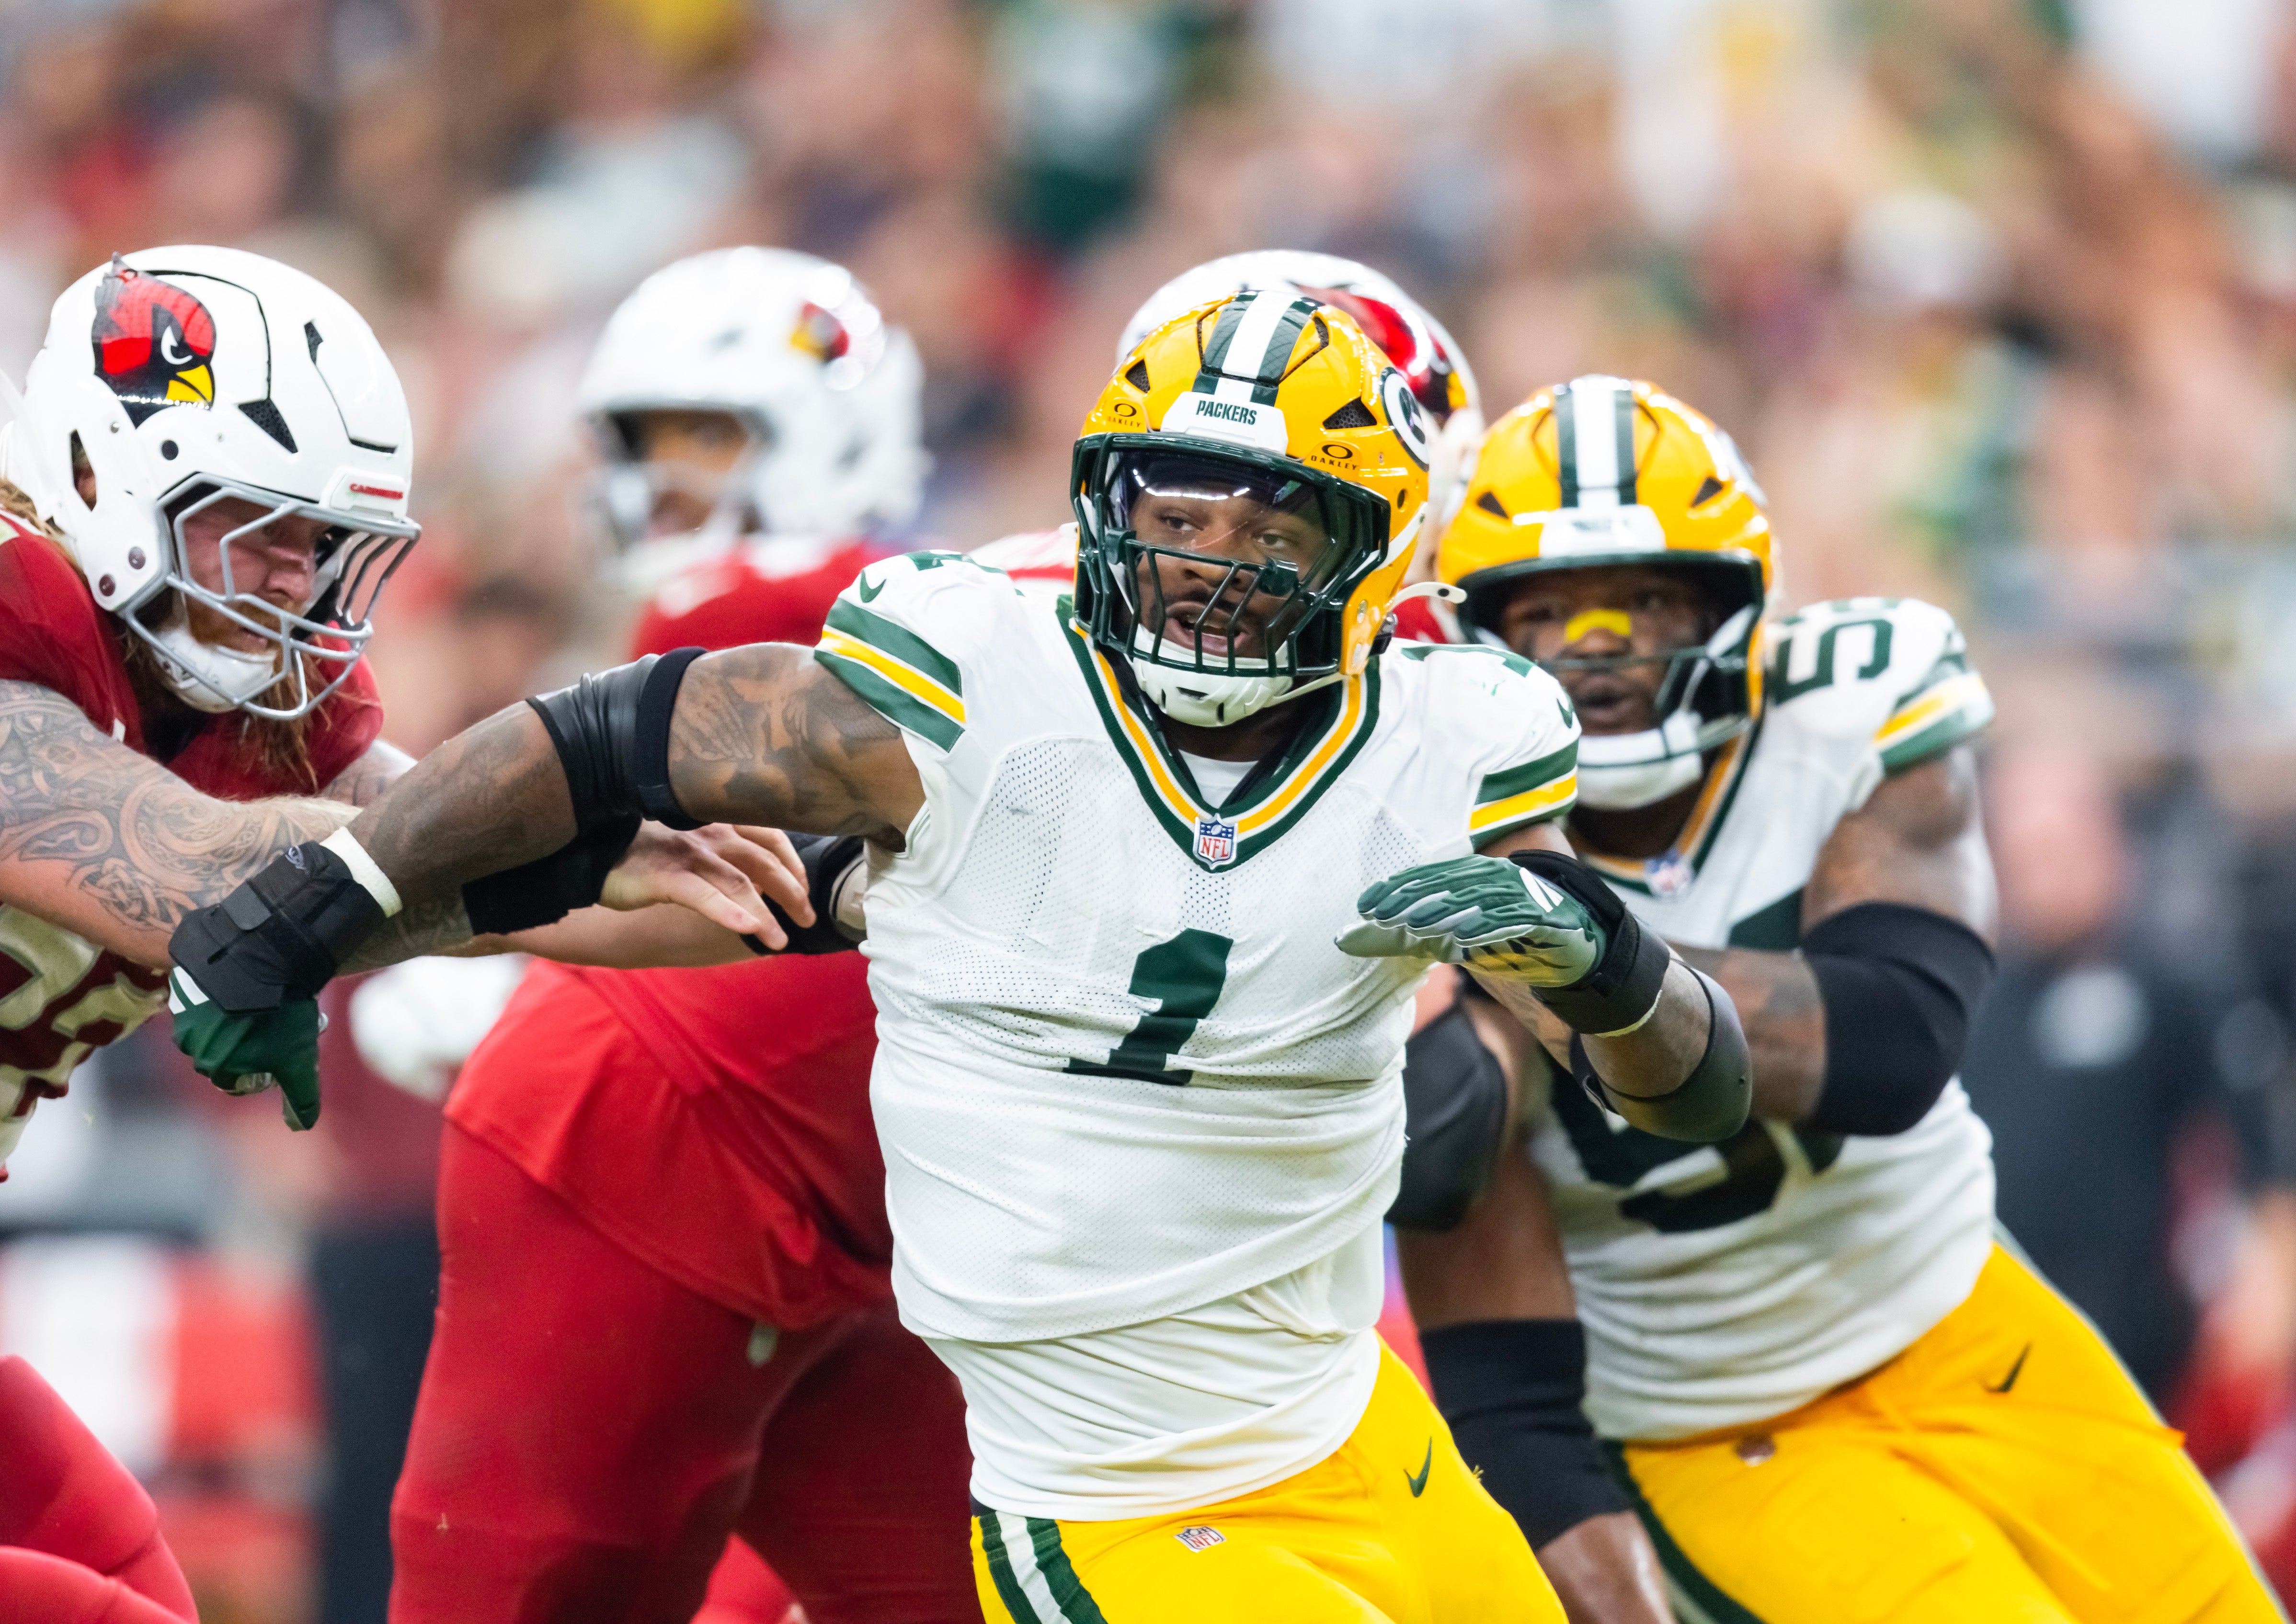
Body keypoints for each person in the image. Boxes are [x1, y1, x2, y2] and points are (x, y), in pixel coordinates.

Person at [171, 292, 1753, 1622]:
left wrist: (1599, 970)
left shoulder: (1452, 740)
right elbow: (602, 746)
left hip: (1055, 1322)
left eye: (1273, 520)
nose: (1209, 565)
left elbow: (1640, 1101)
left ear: (1395, 532)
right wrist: (330, 908)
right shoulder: (972, 665)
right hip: (664, 1174)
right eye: (1175, 512)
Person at [1397, 374, 2284, 1623]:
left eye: (1643, 598)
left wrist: (1595, 964)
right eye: (1546, 612)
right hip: (1719, 1428)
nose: (1599, 649)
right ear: (1476, 632)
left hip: (1960, 1315)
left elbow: (1891, 1042)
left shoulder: (1849, 708)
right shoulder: (1440, 844)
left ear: (1732, 598)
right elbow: (1497, 1348)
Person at [0, 245, 799, 1613]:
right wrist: (569, 784)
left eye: (320, 543)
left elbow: (474, 865)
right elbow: (204, 869)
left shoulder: (243, 702)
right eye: (254, 526)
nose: (295, 581)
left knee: (120, 1573)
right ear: (95, 474)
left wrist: (806, 898)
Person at [386, 247, 975, 1624]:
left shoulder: (849, 611)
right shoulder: (769, 621)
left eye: (708, 433)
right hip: (692, 1168)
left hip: (831, 1207)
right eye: (645, 443)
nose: (668, 481)